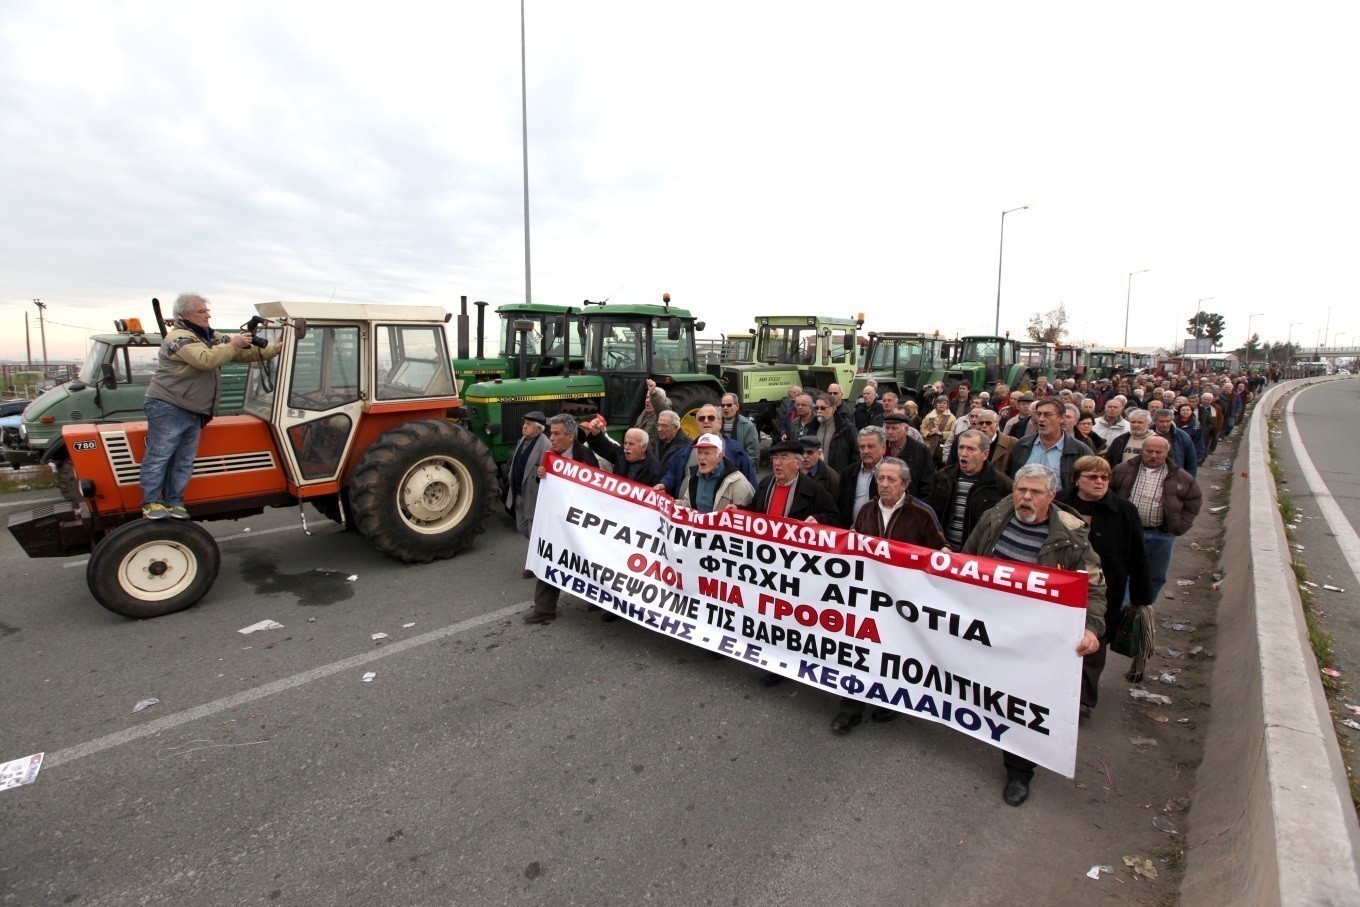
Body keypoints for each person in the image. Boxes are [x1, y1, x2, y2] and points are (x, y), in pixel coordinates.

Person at [962, 464, 1106, 806]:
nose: (1025, 498)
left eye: (1035, 492)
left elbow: (1095, 589)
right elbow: (968, 560)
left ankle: (1019, 771)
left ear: (1052, 497)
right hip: (987, 624)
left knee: (1021, 702)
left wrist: (1092, 627)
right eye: (1021, 490)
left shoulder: (1071, 537)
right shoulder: (995, 518)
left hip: (1034, 637)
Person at [140, 293, 284, 520]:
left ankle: (174, 502)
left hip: (193, 409)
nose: (207, 314)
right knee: (160, 455)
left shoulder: (208, 336)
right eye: (201, 311)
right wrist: (233, 343)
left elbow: (238, 354)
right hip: (169, 406)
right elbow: (206, 360)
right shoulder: (179, 338)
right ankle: (151, 502)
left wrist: (273, 350)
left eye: (207, 311)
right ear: (185, 314)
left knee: (184, 460)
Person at [829, 456, 946, 735]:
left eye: (890, 479)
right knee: (857, 653)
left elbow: (939, 550)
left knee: (894, 654)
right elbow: (854, 542)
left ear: (905, 484)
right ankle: (851, 708)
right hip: (866, 598)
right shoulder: (867, 510)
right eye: (880, 478)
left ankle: (887, 700)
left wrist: (944, 556)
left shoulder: (922, 513)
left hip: (903, 603)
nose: (883, 484)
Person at [1058, 456, 1153, 717]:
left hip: (1105, 589)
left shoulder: (1124, 510)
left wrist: (1141, 598)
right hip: (1062, 585)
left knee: (1094, 641)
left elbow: (1138, 556)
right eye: (1092, 477)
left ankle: (1084, 700)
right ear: (1077, 479)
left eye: (1105, 477)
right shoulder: (1058, 503)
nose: (1100, 482)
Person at [524, 414, 598, 624]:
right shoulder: (550, 456)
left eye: (556, 433)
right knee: (551, 557)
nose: (552, 437)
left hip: (580, 523)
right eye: (551, 433)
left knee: (586, 561)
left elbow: (596, 490)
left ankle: (598, 599)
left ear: (571, 436)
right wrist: (542, 477)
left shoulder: (585, 456)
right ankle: (544, 608)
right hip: (556, 521)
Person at [1111, 435, 1202, 602]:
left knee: (1155, 575)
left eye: (1158, 452)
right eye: (1149, 451)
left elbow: (1193, 500)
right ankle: (1122, 610)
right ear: (1142, 450)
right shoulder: (1123, 469)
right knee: (1124, 571)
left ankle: (1143, 607)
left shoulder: (1181, 477)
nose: (1153, 456)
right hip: (1127, 533)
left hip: (1162, 535)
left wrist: (1180, 526)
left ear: (1166, 453)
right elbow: (1110, 494)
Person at [930, 429, 1012, 551]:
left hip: (975, 557)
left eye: (971, 449)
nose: (963, 453)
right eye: (961, 447)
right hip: (942, 552)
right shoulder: (943, 477)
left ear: (985, 454)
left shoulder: (1001, 484)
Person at [659, 405, 757, 495]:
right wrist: (664, 484)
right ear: (697, 423)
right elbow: (672, 473)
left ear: (720, 423)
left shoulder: (736, 451)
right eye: (701, 418)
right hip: (686, 510)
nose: (706, 421)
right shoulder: (684, 451)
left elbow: (750, 483)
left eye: (711, 418)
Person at [1006, 398, 1092, 492]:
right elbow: (1009, 477)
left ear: (1062, 418)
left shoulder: (1080, 450)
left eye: (1047, 415)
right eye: (1038, 414)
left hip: (1061, 505)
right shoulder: (1022, 445)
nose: (1041, 419)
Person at [505, 411, 551, 550]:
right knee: (521, 527)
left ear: (539, 428)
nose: (524, 426)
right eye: (524, 423)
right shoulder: (522, 440)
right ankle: (540, 553)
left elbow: (546, 473)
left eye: (529, 424)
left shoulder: (546, 446)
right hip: (518, 493)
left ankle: (534, 564)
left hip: (533, 495)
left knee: (533, 530)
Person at [677, 433, 755, 513]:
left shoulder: (738, 482)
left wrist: (737, 510)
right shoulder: (693, 476)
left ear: (719, 457)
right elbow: (689, 504)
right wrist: (678, 504)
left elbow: (750, 515)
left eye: (707, 453)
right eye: (699, 452)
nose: (701, 457)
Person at [837, 426, 889, 528]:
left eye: (870, 446)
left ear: (883, 448)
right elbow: (841, 506)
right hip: (851, 535)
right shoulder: (848, 473)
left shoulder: (895, 473)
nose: (865, 451)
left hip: (881, 538)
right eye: (862, 447)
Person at [582, 423, 665, 486]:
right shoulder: (621, 452)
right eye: (625, 443)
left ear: (643, 447)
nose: (626, 447)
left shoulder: (655, 469)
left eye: (631, 444)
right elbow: (605, 447)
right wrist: (595, 434)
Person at [883, 412, 935, 495]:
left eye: (894, 428)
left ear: (906, 430)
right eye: (887, 428)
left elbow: (927, 481)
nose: (889, 432)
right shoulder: (881, 448)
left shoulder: (920, 450)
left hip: (911, 500)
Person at [812, 393, 857, 472]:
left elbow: (856, 455)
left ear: (833, 409)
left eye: (823, 408)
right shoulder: (811, 427)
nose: (819, 411)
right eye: (816, 408)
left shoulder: (846, 428)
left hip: (838, 476)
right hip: (815, 476)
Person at [1151, 407, 1198, 477]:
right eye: (1161, 421)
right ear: (1155, 421)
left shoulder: (1182, 436)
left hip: (1174, 474)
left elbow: (1191, 460)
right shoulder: (1147, 434)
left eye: (1168, 421)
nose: (1165, 424)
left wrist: (1190, 479)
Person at [720, 393, 760, 466]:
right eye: (723, 405)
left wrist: (738, 468)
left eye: (729, 405)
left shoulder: (748, 426)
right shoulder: (716, 423)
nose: (725, 408)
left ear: (737, 406)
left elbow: (752, 454)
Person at [970, 409, 1015, 474]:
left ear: (996, 425)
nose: (984, 426)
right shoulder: (970, 442)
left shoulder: (1010, 443)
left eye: (988, 423)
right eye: (981, 423)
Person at [633, 379, 671, 449]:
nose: (647, 400)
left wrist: (653, 392)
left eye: (651, 398)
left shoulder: (662, 415)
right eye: (647, 397)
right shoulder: (643, 414)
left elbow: (661, 408)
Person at [920, 394, 955, 462]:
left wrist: (941, 433)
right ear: (935, 404)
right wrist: (929, 433)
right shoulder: (928, 416)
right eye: (939, 403)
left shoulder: (952, 418)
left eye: (944, 403)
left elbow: (953, 432)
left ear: (947, 405)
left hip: (943, 446)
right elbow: (922, 428)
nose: (942, 405)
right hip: (928, 445)